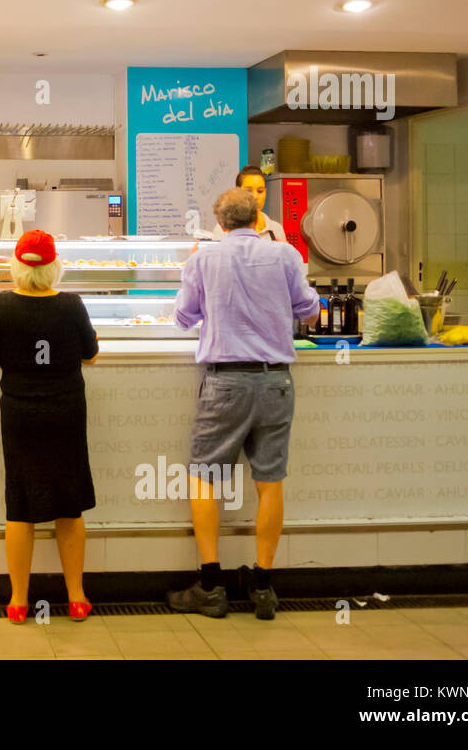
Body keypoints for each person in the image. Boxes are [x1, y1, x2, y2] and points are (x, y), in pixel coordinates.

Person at [168, 188, 320, 620]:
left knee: (205, 478)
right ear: (258, 220)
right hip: (276, 381)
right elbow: (308, 311)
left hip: (226, 383)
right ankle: (264, 586)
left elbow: (183, 318)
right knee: (270, 482)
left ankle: (211, 586)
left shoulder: (204, 258)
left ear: (220, 223)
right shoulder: (286, 255)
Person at [0, 229, 100, 625]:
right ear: (54, 267)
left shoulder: (1, 306)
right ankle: (77, 598)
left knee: (20, 505)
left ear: (16, 266)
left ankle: (17, 601)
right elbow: (90, 356)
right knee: (70, 503)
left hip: (19, 414)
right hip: (65, 411)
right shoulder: (72, 305)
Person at [210, 166, 287, 242]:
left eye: (260, 191)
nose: (255, 196)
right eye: (249, 191)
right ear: (237, 192)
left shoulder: (276, 229)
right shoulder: (224, 228)